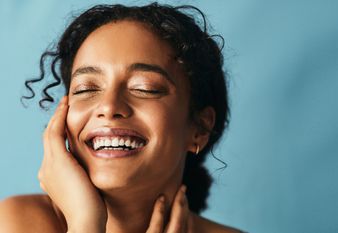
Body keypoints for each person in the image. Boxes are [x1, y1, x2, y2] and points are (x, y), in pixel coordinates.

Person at [0, 3, 242, 233]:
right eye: (86, 89)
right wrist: (85, 222)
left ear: (199, 127)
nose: (109, 106)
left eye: (145, 88)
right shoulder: (16, 222)